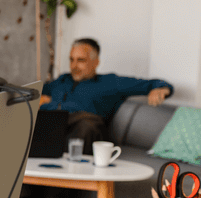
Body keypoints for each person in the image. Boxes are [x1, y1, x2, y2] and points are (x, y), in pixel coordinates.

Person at [39, 38, 173, 154]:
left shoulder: (110, 83)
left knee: (86, 126)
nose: (74, 66)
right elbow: (34, 92)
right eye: (71, 60)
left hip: (86, 129)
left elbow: (154, 84)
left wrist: (162, 89)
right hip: (54, 126)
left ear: (96, 62)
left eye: (81, 60)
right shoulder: (63, 80)